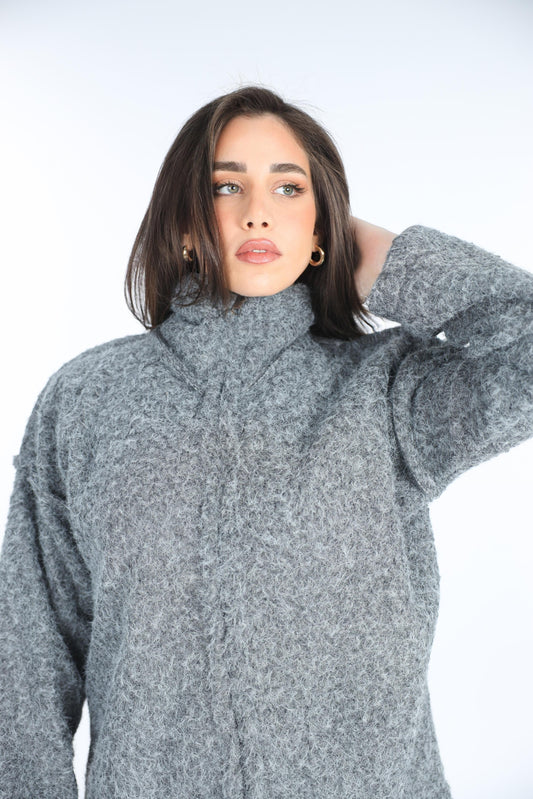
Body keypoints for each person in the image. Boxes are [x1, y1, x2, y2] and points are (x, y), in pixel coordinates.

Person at [0, 85, 531, 799]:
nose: (257, 211)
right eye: (226, 187)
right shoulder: (86, 399)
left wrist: (385, 261)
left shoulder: (387, 390)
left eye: (289, 189)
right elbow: (29, 651)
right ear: (183, 223)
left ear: (321, 226)